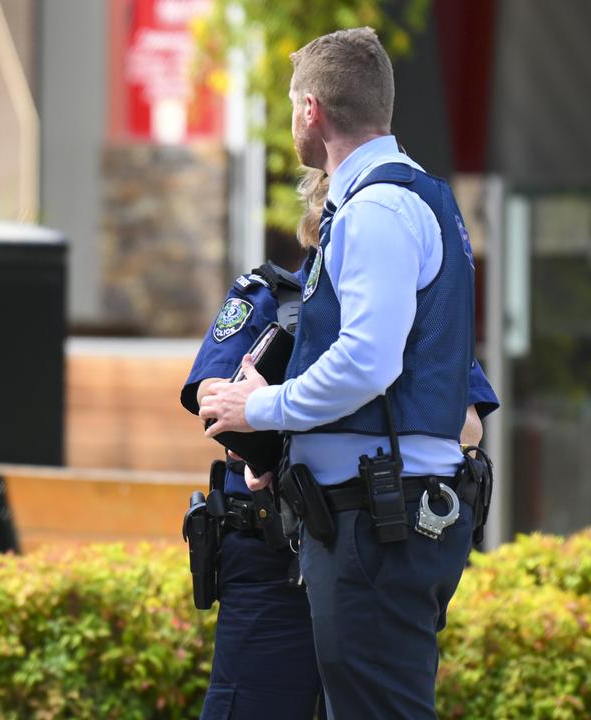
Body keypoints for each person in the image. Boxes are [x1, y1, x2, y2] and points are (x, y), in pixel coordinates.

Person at [200, 28, 490, 718]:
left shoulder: (375, 209)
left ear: (311, 110)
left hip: (377, 518)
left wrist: (260, 410)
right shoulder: (408, 200)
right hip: (379, 512)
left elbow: (367, 361)